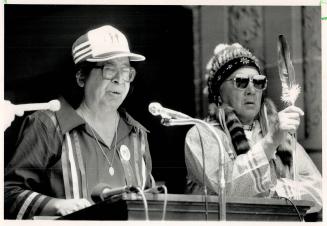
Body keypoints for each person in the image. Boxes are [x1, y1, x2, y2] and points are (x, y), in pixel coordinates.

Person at [4, 25, 154, 219]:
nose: (119, 80)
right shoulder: (48, 125)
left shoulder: (137, 135)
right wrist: (56, 205)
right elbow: (8, 194)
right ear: (81, 77)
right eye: (109, 70)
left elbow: (149, 205)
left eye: (126, 72)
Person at [184, 43, 322, 213]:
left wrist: (273, 192)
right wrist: (269, 143)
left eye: (258, 82)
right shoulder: (202, 134)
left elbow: (319, 191)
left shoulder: (279, 135)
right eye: (240, 81)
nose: (251, 90)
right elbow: (227, 189)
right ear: (219, 93)